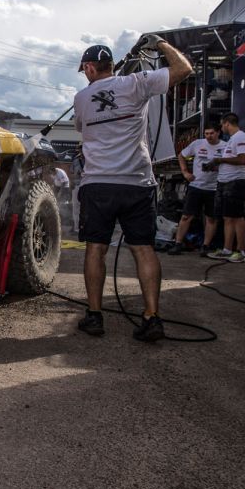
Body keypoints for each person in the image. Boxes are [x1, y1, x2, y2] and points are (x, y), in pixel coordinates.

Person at [73, 36, 192, 342]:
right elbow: (184, 69)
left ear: (88, 67)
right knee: (143, 249)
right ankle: (152, 317)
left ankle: (95, 316)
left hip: (98, 183)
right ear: (110, 65)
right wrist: (161, 43)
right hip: (137, 183)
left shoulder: (82, 99)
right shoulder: (137, 83)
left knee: (96, 248)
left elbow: (81, 128)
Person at [167, 123, 225, 256]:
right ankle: (178, 244)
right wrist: (185, 172)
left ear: (218, 133)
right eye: (206, 134)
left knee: (211, 219)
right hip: (196, 186)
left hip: (214, 188)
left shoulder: (225, 146)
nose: (209, 136)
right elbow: (181, 155)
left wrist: (217, 168)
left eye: (211, 133)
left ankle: (205, 246)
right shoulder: (198, 144)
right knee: (186, 216)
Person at [206, 113, 245, 263]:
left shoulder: (240, 137)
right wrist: (218, 166)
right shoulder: (233, 139)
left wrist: (220, 159)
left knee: (237, 217)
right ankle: (227, 249)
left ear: (226, 123)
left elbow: (243, 159)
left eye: (222, 124)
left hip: (235, 182)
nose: (222, 127)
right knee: (227, 217)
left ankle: (241, 250)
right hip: (226, 181)